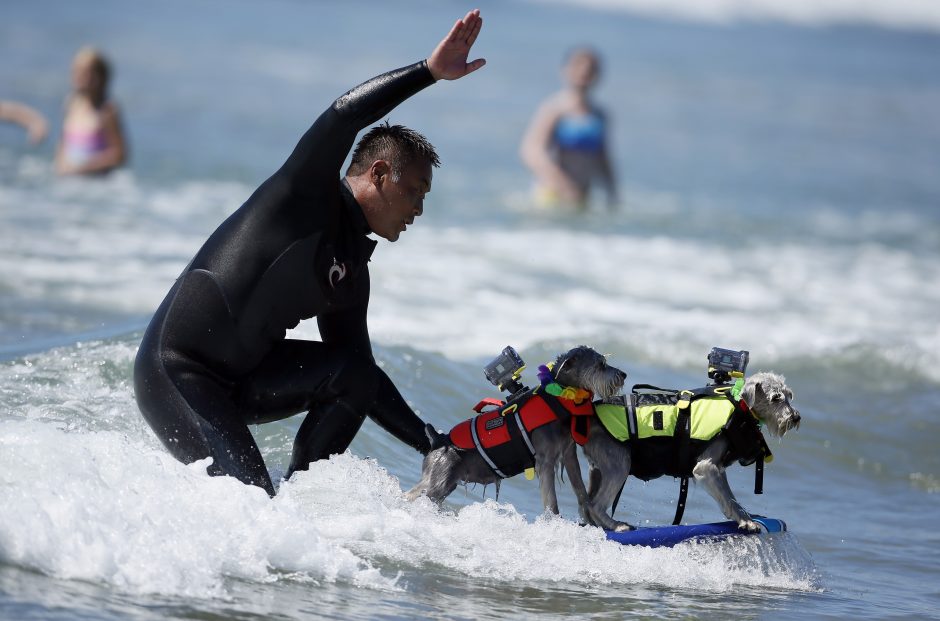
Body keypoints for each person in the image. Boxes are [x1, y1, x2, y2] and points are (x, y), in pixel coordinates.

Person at [133, 10, 486, 496]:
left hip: (247, 377)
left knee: (353, 376)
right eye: (415, 191)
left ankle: (300, 497)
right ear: (379, 174)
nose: (419, 209)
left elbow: (361, 378)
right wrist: (428, 71)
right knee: (250, 500)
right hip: (179, 371)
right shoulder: (302, 197)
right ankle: (271, 503)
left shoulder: (352, 270)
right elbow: (343, 113)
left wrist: (433, 442)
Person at [519, 47, 618, 211]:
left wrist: (612, 191)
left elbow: (603, 157)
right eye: (578, 65)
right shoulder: (554, 109)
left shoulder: (600, 115)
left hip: (584, 194)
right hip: (551, 193)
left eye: (591, 68)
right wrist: (562, 184)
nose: (584, 71)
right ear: (565, 70)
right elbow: (531, 151)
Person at [55, 46, 127, 175]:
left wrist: (83, 167)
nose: (79, 77)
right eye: (76, 71)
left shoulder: (107, 110)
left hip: (96, 185)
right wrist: (60, 165)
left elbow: (119, 155)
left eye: (85, 72)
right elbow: (63, 143)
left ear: (101, 77)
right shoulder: (71, 104)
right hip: (69, 181)